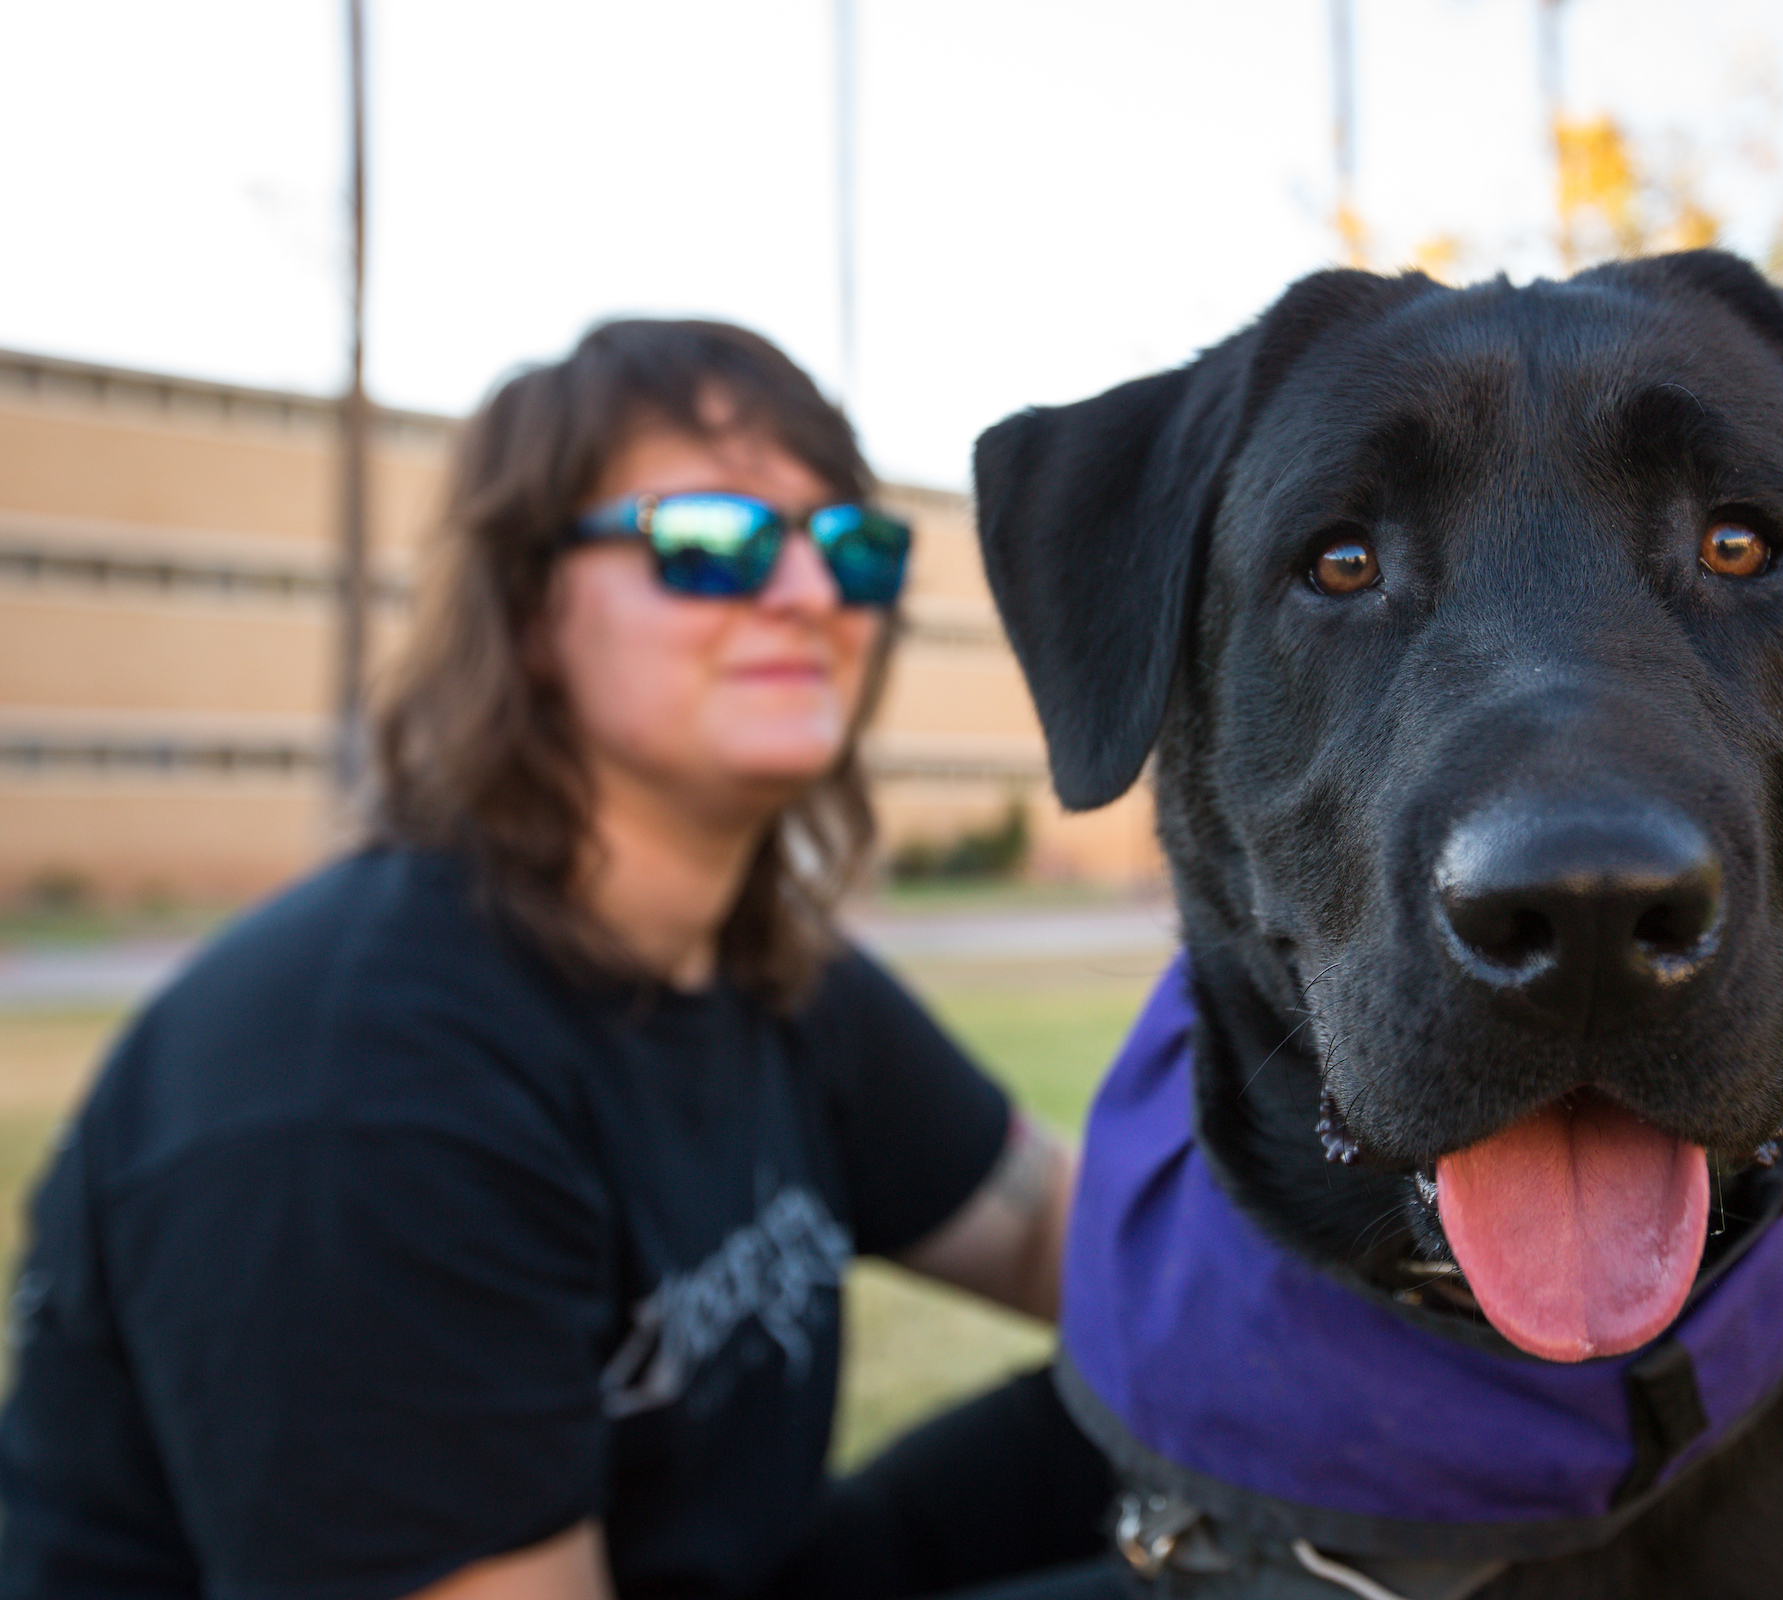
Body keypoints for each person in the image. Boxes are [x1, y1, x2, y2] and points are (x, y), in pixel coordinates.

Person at [0, 321, 1120, 1600]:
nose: (810, 593)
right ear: (529, 608)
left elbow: (1048, 1228)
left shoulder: (759, 970)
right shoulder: (362, 1085)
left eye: (851, 546)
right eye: (712, 540)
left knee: (1190, 1423)